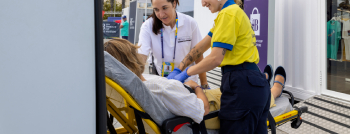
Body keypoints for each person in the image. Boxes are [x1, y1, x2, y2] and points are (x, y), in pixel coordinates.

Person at [167, 0, 274, 134]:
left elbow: (216, 58)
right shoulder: (229, 14)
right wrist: (178, 68)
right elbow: (200, 48)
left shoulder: (228, 14)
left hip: (241, 85)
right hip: (253, 84)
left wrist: (185, 73)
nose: (202, 3)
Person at [104, 38, 287, 128]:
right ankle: (275, 89)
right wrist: (196, 86)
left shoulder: (140, 89)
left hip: (193, 98)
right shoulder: (161, 88)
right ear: (132, 60)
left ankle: (262, 82)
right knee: (255, 97)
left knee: (247, 89)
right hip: (211, 108)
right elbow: (202, 110)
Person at [137, 0, 209, 87]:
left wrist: (204, 83)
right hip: (161, 83)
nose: (161, 14)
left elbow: (198, 54)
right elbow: (142, 56)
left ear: (174, 4)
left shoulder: (190, 23)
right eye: (156, 10)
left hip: (188, 82)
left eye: (165, 8)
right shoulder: (148, 26)